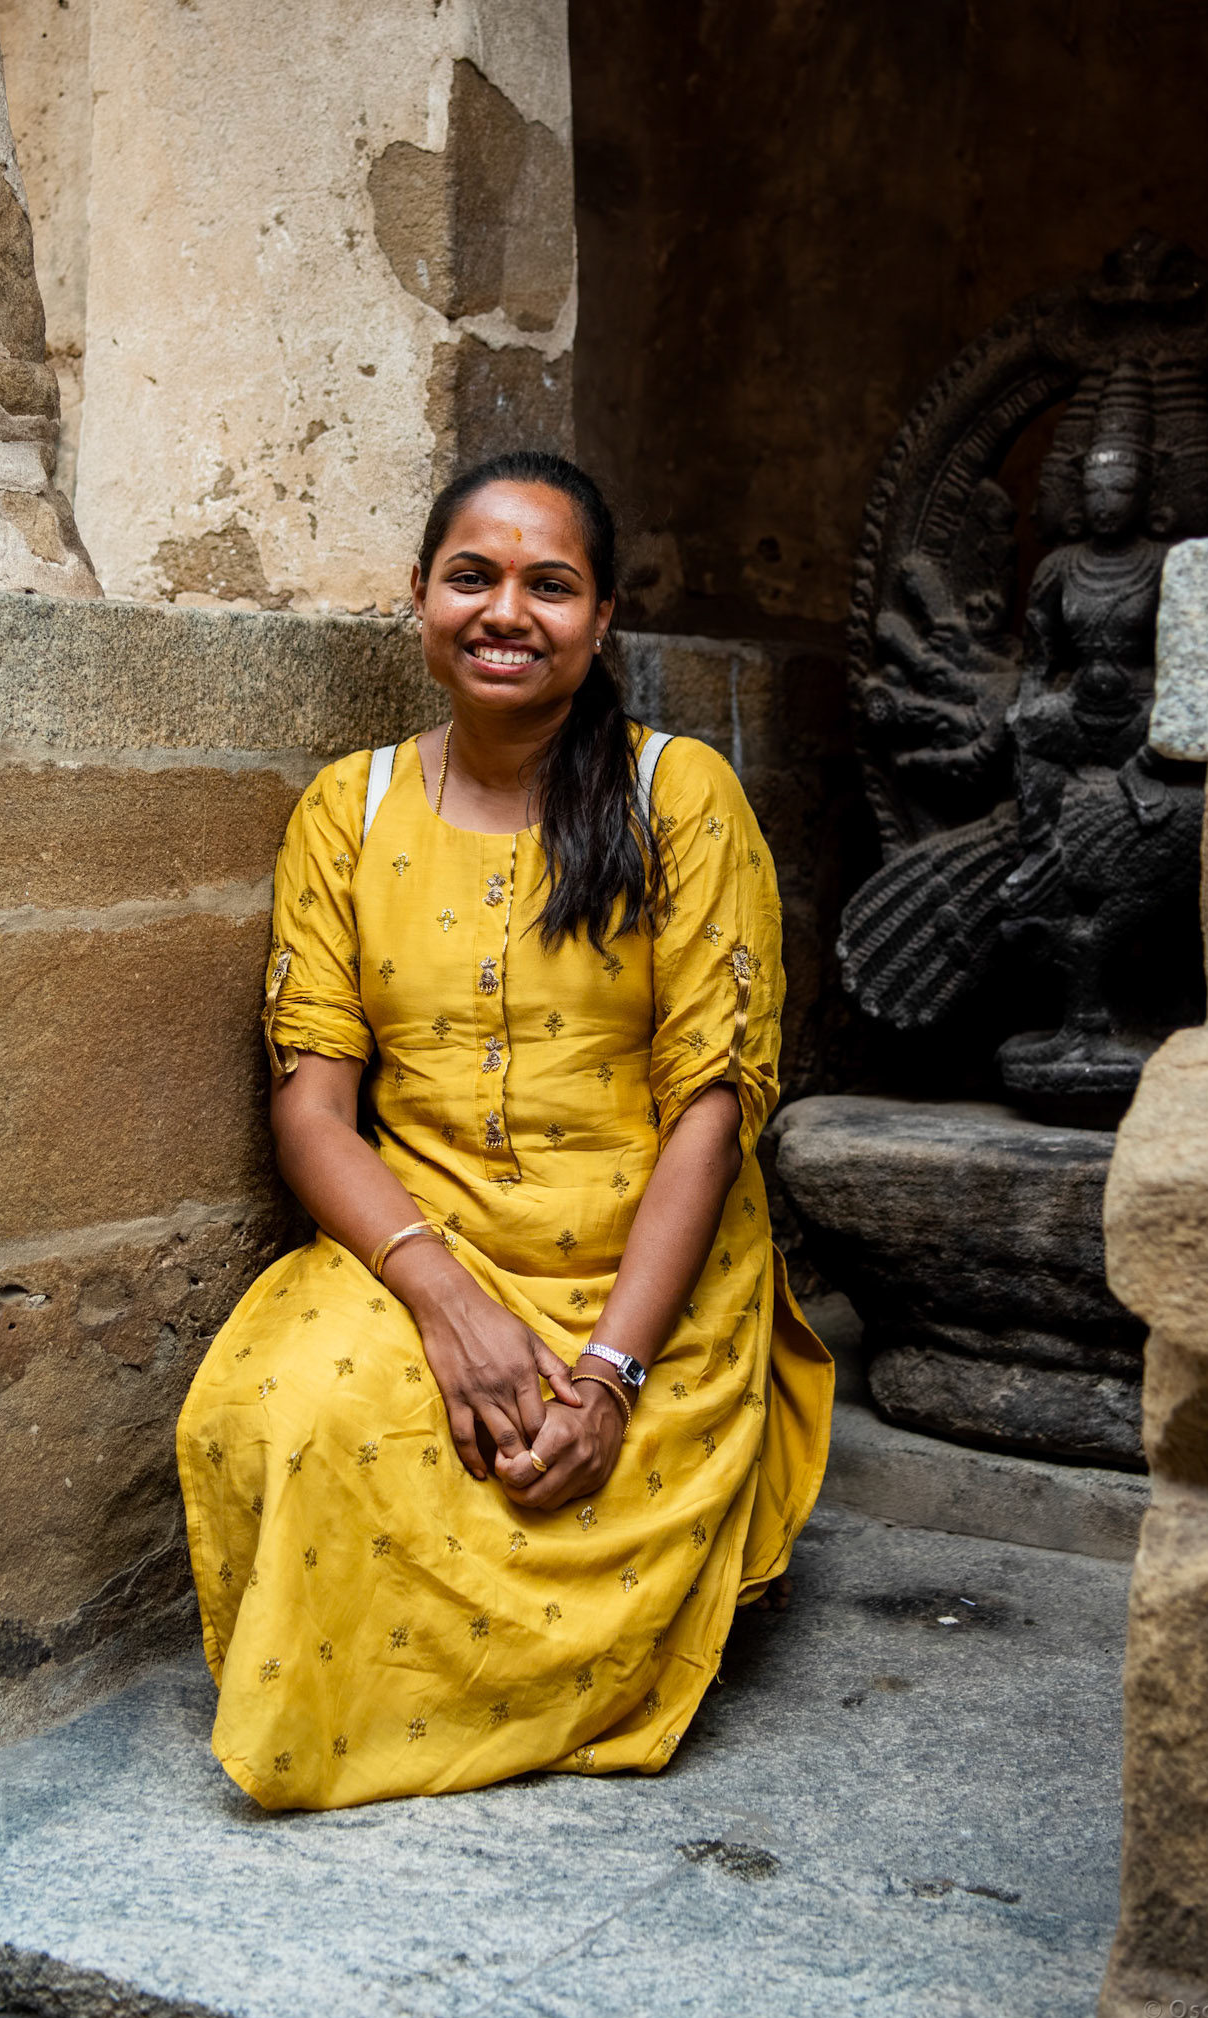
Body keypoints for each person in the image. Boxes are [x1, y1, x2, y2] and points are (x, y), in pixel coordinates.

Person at [176, 449, 834, 1811]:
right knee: (271, 1411)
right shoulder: (344, 813)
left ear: (600, 626)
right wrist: (441, 1300)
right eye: (471, 576)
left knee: (553, 1479)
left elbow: (709, 1109)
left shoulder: (678, 796)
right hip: (418, 1239)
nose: (505, 611)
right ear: (418, 598)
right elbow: (312, 1111)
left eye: (551, 584)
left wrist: (606, 1375)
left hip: (642, 1273)